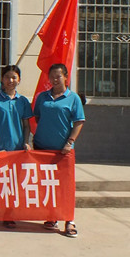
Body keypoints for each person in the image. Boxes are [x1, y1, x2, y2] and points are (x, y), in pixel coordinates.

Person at [33, 63, 85, 237]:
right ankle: (52, 216)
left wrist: (69, 141)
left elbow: (79, 122)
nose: (55, 79)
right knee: (47, 185)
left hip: (63, 151)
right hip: (42, 148)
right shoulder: (42, 97)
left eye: (58, 76)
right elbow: (38, 117)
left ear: (65, 77)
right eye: (52, 76)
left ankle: (69, 220)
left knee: (65, 187)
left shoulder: (73, 98)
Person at [0, 64, 33, 229]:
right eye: (7, 77)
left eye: (14, 77)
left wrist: (26, 142)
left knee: (13, 183)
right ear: (2, 79)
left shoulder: (23, 101)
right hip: (1, 149)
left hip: (18, 149)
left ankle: (9, 215)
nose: (10, 80)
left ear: (19, 80)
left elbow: (26, 125)